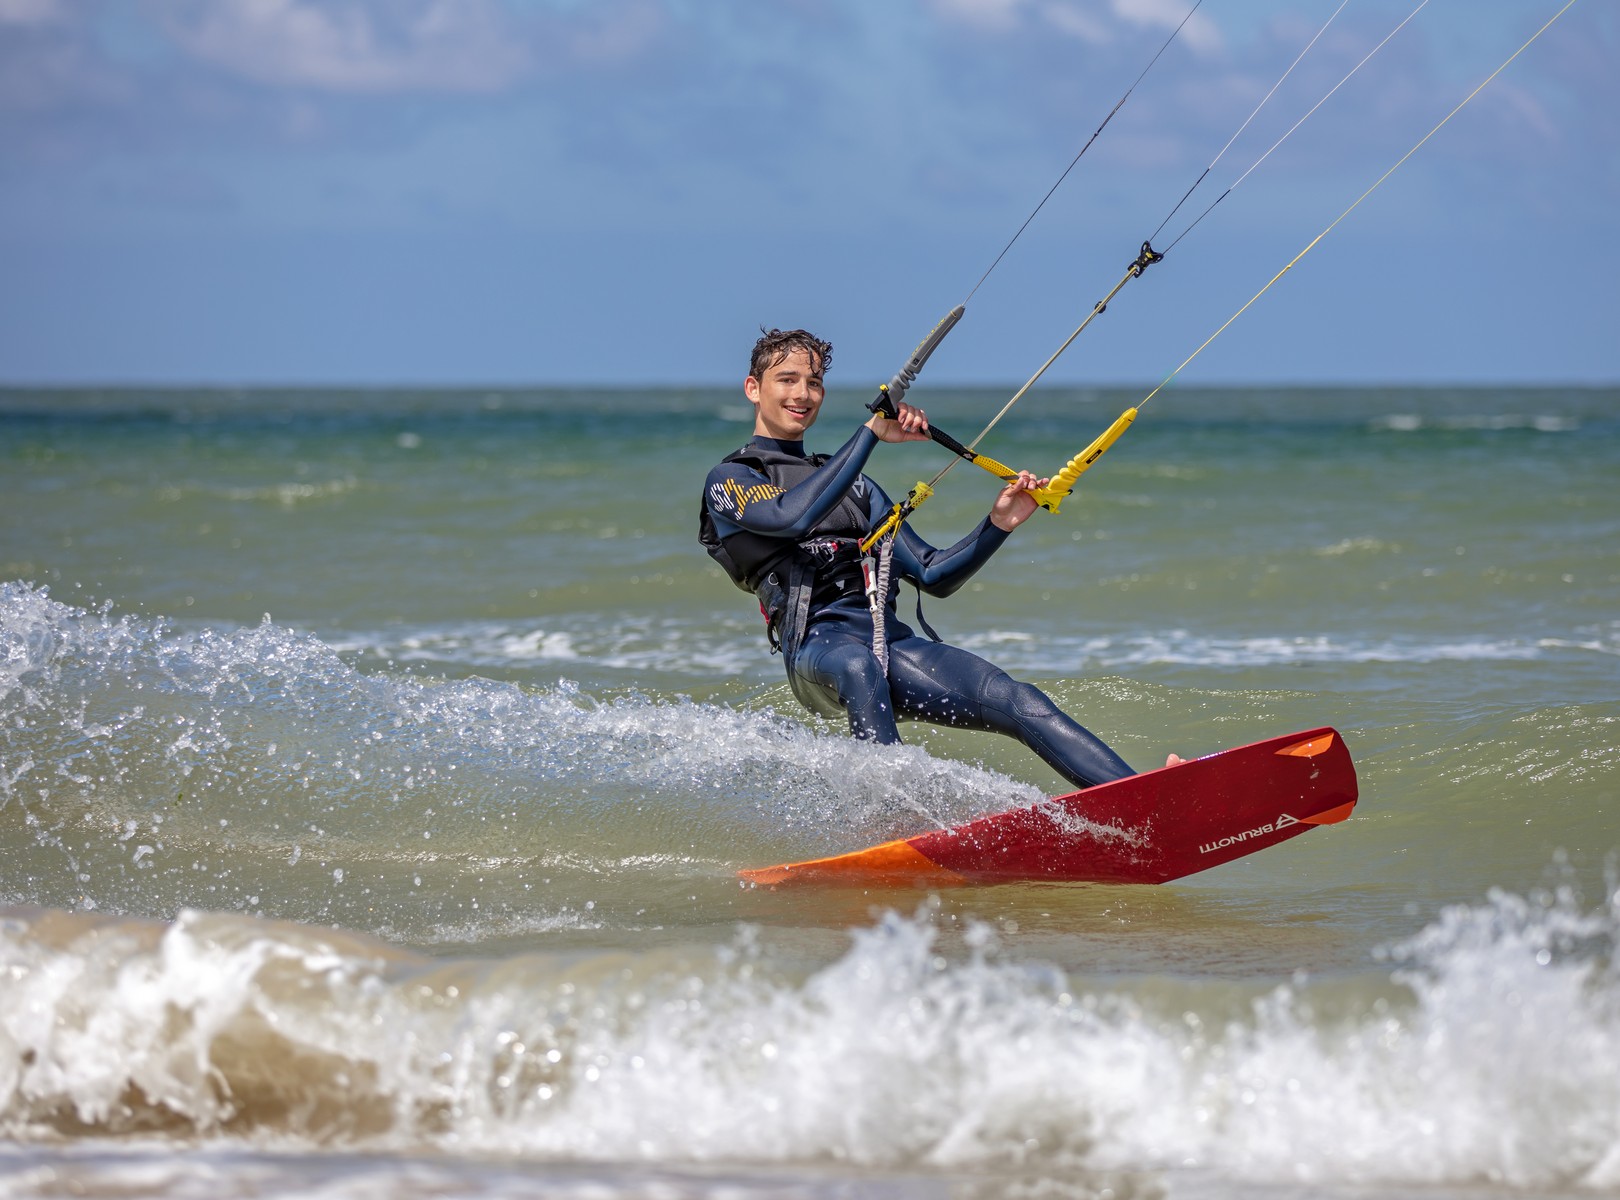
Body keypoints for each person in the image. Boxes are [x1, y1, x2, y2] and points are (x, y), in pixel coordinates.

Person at [701, 327, 1176, 790]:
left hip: (888, 644)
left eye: (814, 381)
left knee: (1016, 698)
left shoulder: (855, 486)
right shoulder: (732, 478)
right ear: (753, 388)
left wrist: (999, 523)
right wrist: (870, 433)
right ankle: (889, 825)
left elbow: (933, 573)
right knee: (856, 666)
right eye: (787, 379)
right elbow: (790, 519)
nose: (803, 393)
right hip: (817, 649)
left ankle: (1144, 798)